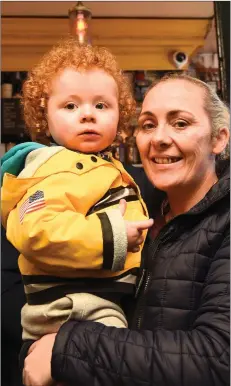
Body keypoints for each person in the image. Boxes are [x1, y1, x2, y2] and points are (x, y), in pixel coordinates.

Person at [22, 73, 230, 386]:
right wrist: (37, 347)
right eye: (148, 124)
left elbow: (219, 359)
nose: (159, 138)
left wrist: (66, 348)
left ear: (219, 138)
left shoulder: (224, 222)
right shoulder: (132, 204)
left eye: (180, 123)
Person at [1, 37, 154, 370]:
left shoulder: (100, 166)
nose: (87, 115)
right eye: (70, 106)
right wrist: (113, 233)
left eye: (101, 105)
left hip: (95, 298)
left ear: (120, 113)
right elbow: (36, 231)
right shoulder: (50, 169)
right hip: (69, 305)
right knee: (119, 363)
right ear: (44, 115)